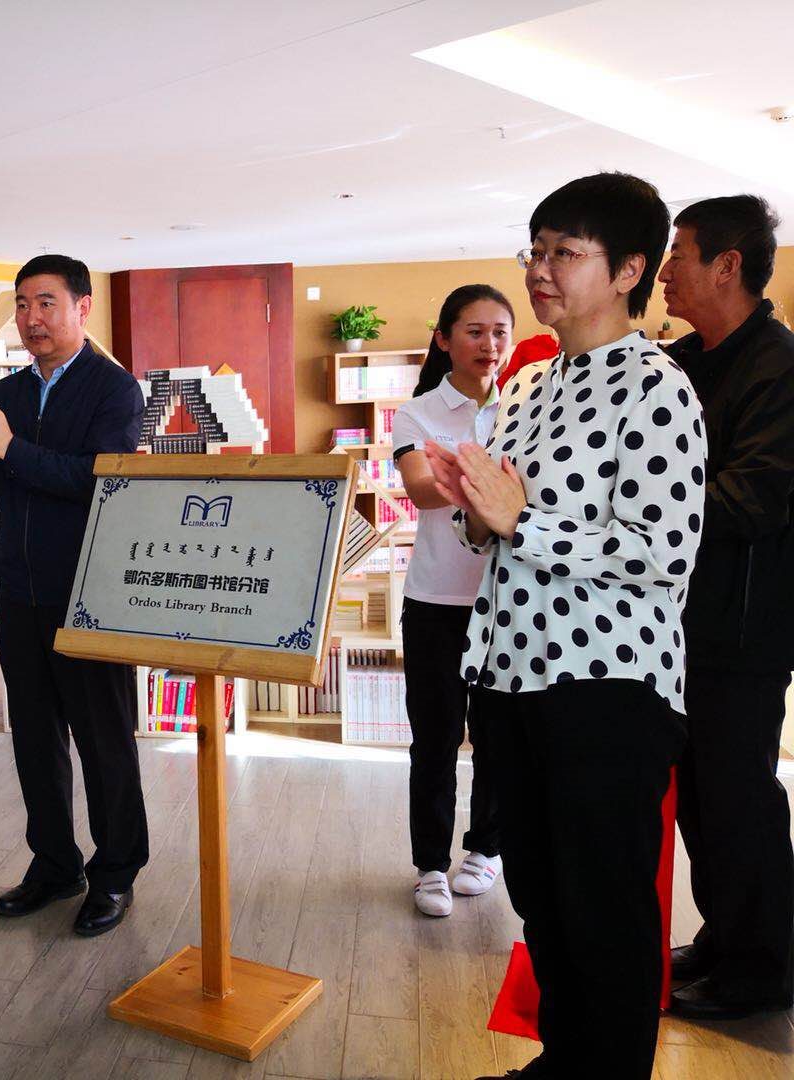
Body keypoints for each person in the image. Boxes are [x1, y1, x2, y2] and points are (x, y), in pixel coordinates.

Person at [427, 173, 706, 1079]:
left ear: (628, 270)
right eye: (535, 250)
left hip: (608, 690)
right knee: (544, 900)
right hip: (511, 675)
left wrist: (521, 521)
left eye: (565, 253)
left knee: (605, 912)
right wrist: (476, 510)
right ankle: (566, 1063)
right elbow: (494, 529)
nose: (540, 270)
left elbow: (664, 550)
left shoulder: (657, 387)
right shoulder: (524, 385)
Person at [0, 254, 148, 937]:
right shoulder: (6, 391)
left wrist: (7, 445)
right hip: (19, 591)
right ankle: (55, 864)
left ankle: (116, 872)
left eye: (46, 303)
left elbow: (97, 480)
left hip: (89, 596)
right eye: (22, 304)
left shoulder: (114, 389)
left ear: (82, 307)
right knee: (34, 739)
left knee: (103, 741)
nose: (31, 318)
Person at [657, 195, 794, 1019]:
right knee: (702, 802)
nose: (663, 272)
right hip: (679, 625)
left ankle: (762, 970)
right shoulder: (684, 361)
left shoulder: (779, 367)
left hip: (743, 631)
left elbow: (753, 501)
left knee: (739, 799)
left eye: (678, 254)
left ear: (728, 266)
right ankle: (725, 939)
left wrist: (647, 500)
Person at [391, 285, 512, 917]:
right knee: (434, 739)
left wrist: (457, 471)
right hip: (435, 598)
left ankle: (485, 850)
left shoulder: (525, 407)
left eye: (499, 331)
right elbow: (421, 489)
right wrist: (496, 482)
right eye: (474, 331)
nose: (489, 345)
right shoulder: (416, 414)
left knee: (498, 736)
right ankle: (430, 864)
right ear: (443, 339)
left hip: (509, 598)